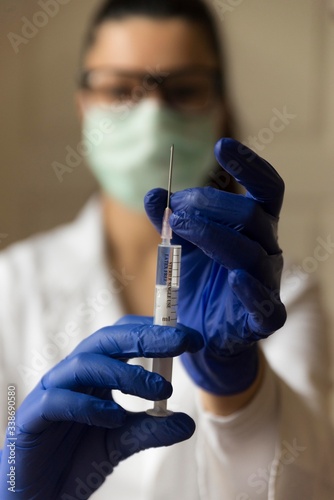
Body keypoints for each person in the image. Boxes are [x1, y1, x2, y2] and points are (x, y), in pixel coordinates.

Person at [0, 0, 333, 498]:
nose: (152, 113)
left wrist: (237, 387)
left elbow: (307, 482)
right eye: (119, 88)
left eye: (183, 90)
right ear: (82, 103)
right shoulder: (12, 284)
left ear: (219, 104)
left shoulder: (277, 296)